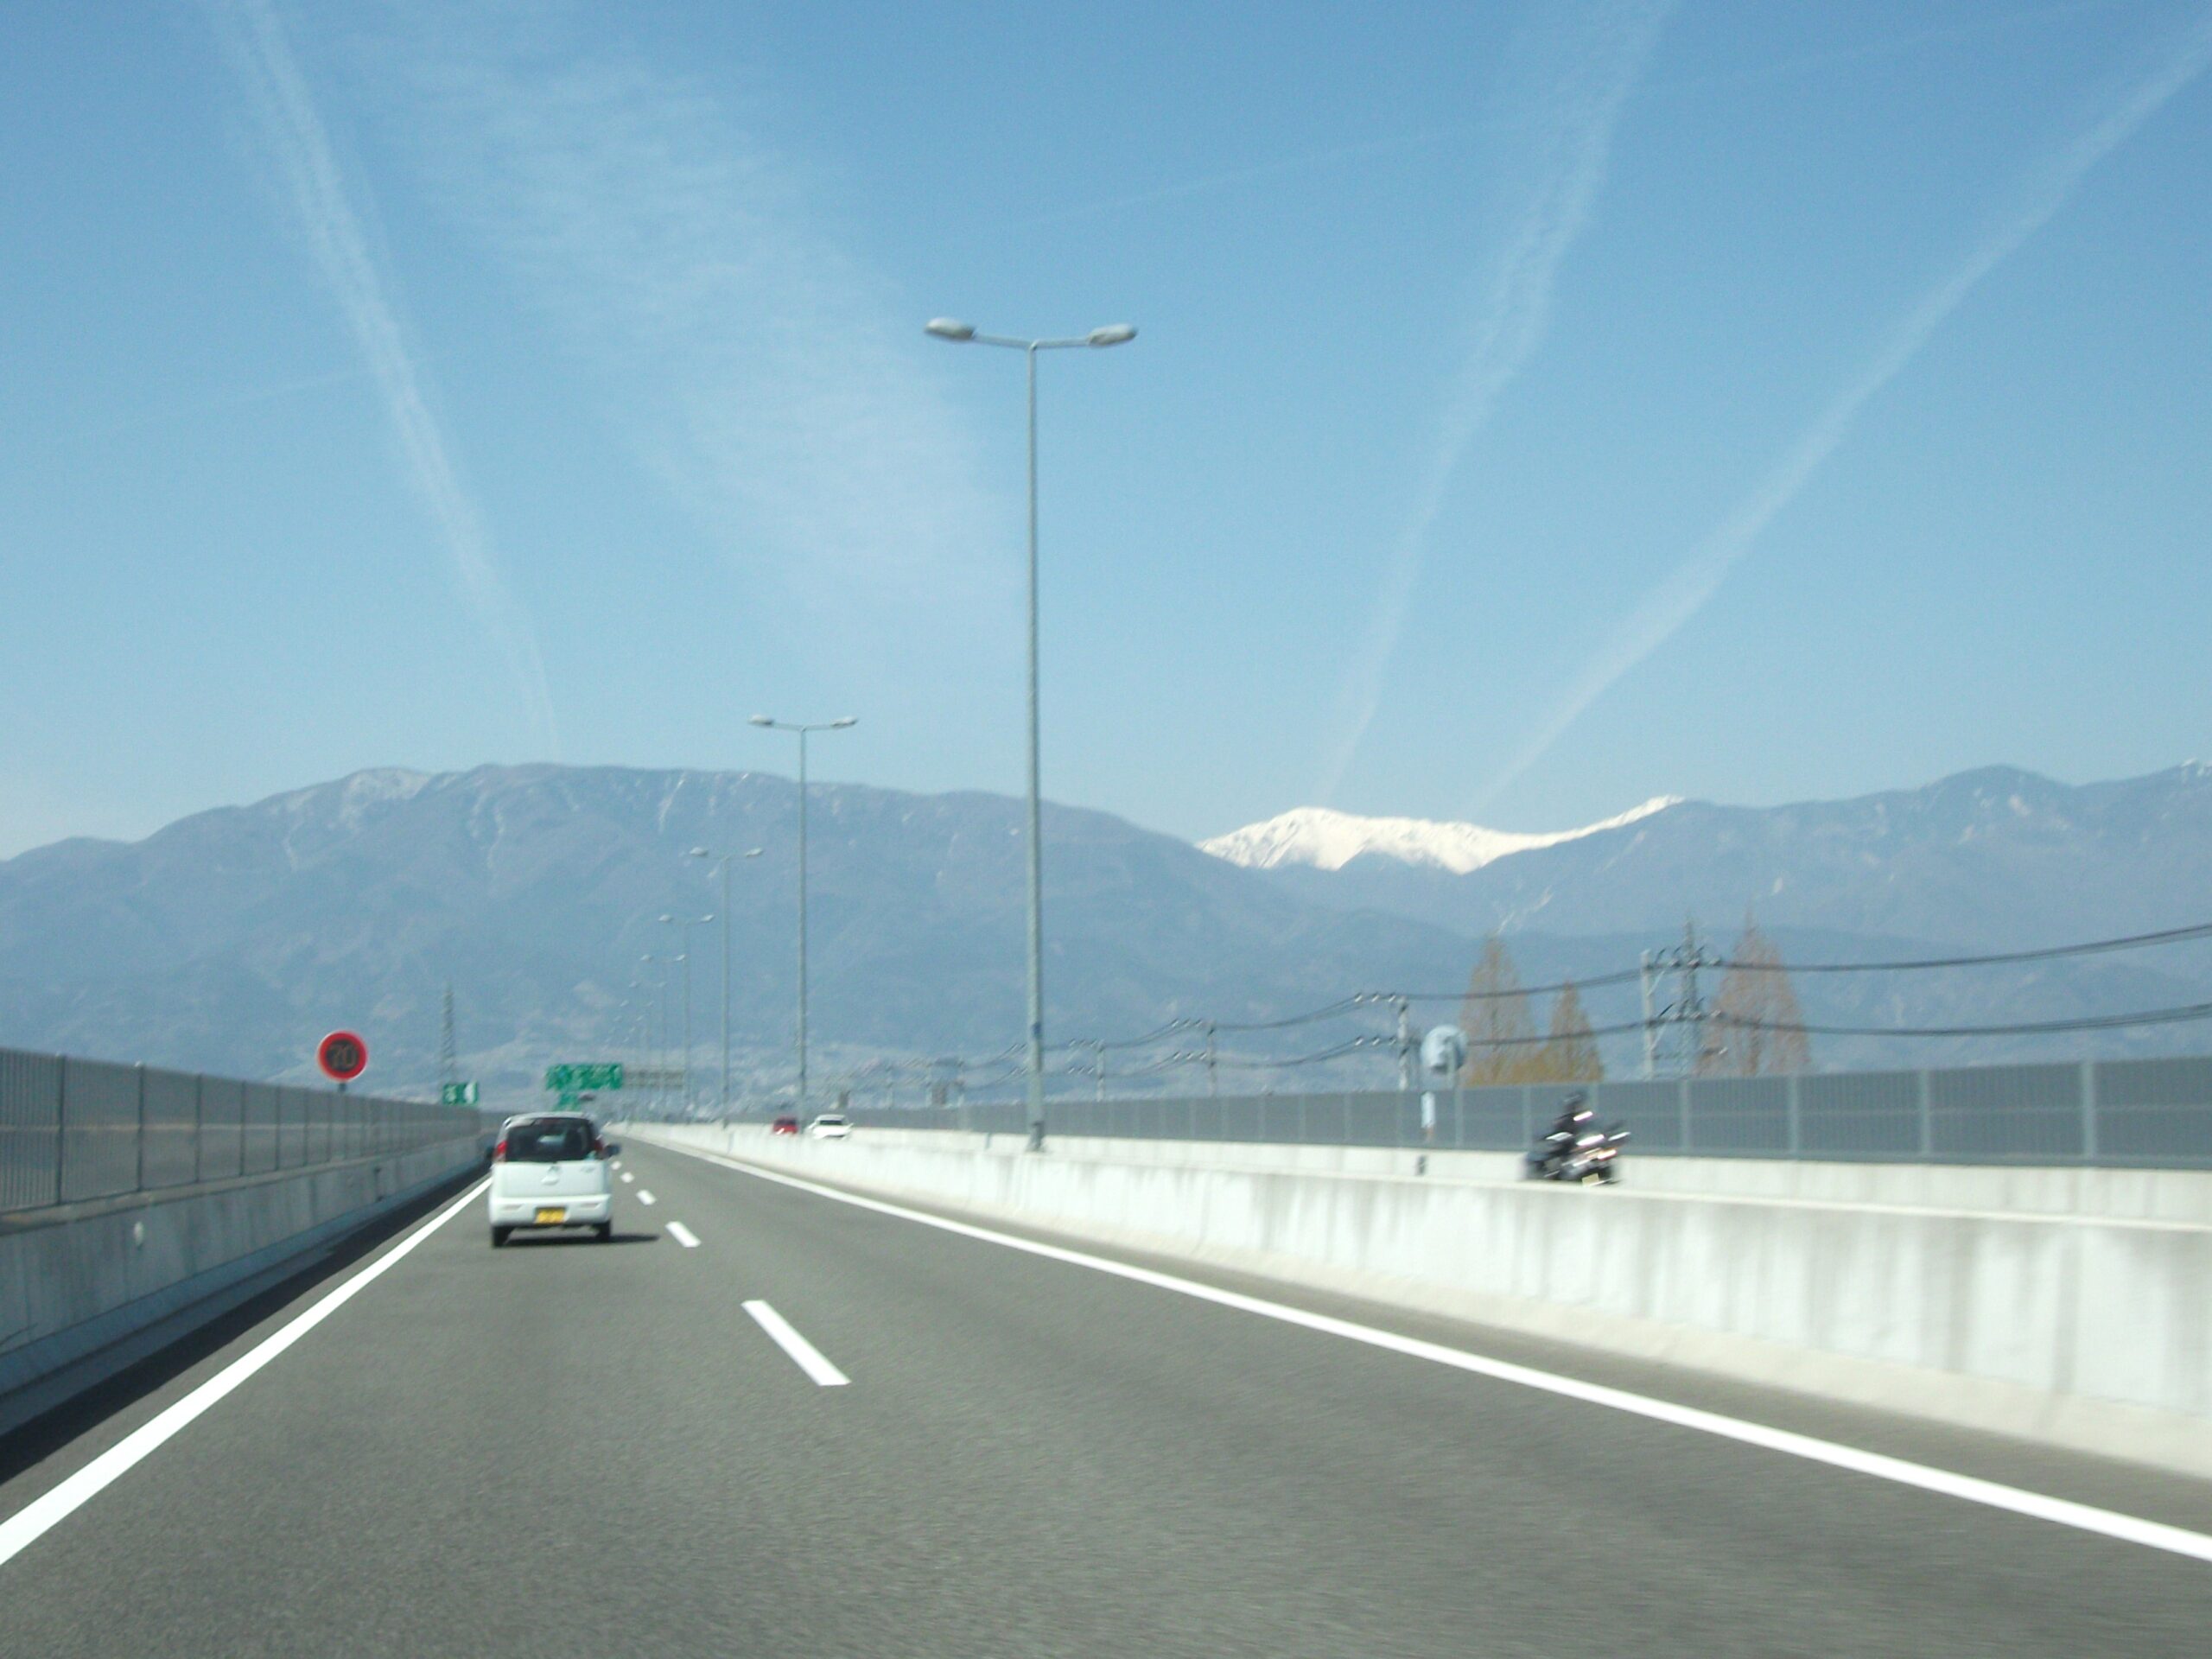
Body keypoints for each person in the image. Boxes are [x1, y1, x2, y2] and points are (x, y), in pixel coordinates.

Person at [1535, 1091, 1595, 1176]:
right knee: (1559, 1156)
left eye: (1578, 1105)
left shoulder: (1585, 1116)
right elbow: (1557, 1131)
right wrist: (1565, 1137)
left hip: (1581, 1143)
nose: (1577, 1107)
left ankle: (1598, 1175)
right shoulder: (1564, 1120)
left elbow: (1592, 1126)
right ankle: (1555, 1174)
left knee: (1595, 1154)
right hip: (1568, 1146)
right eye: (1575, 1105)